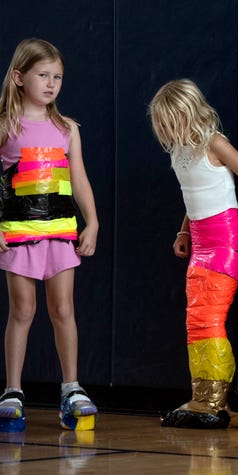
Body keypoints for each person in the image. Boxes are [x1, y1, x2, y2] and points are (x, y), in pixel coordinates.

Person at [149, 79, 238, 429]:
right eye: (163, 125)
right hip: (199, 240)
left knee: (209, 319)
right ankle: (208, 397)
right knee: (197, 321)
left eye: (172, 122)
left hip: (224, 239)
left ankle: (212, 398)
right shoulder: (178, 150)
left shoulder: (214, 143)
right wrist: (184, 231)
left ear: (190, 113)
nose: (168, 130)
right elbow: (193, 195)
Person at [0, 38, 100, 431]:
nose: (51, 83)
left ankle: (71, 387)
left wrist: (91, 221)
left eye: (57, 77)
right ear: (19, 76)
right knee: (22, 311)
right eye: (43, 75)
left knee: (63, 310)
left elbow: (79, 179)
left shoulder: (67, 128)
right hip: (20, 234)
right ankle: (12, 391)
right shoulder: (6, 125)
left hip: (60, 233)